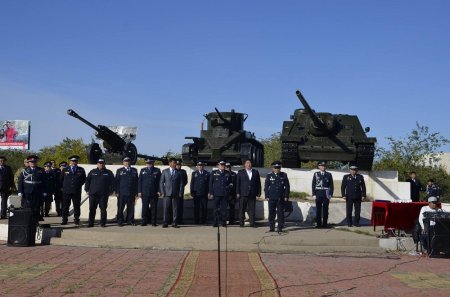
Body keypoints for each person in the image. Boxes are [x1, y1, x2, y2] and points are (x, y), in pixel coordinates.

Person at [85, 158, 115, 227]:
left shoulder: (108, 172)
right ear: (97, 164)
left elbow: (113, 183)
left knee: (103, 209)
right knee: (92, 209)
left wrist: (111, 191)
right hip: (93, 194)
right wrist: (87, 190)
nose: (101, 164)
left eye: (102, 163)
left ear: (104, 164)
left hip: (103, 194)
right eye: (100, 163)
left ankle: (103, 223)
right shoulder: (92, 172)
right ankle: (91, 223)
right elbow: (87, 181)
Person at [18, 155, 47, 221]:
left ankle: (35, 221)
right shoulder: (24, 170)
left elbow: (45, 182)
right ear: (28, 162)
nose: (33, 163)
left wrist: (44, 191)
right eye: (31, 162)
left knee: (36, 207)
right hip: (27, 191)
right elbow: (20, 182)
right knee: (26, 206)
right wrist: (20, 191)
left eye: (34, 162)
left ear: (36, 162)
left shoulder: (41, 170)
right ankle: (27, 220)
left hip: (37, 191)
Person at [264, 161, 290, 232]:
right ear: (273, 168)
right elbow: (266, 186)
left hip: (280, 197)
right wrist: (266, 195)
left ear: (280, 168)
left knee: (280, 213)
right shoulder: (269, 175)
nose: (277, 169)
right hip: (271, 197)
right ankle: (271, 227)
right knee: (271, 213)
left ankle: (280, 227)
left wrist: (286, 196)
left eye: (278, 167)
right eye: (275, 167)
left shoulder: (284, 175)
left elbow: (287, 187)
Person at [61, 155, 86, 225]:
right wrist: (63, 188)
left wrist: (77, 185)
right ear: (70, 161)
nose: (74, 162)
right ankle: (64, 219)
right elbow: (61, 179)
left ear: (77, 162)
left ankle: (76, 219)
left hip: (76, 191)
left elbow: (83, 179)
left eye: (75, 161)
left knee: (77, 206)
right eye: (73, 161)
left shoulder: (81, 169)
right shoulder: (65, 169)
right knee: (65, 206)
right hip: (66, 191)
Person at [236, 159, 261, 228]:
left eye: (249, 163)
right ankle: (241, 223)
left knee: (252, 209)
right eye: (247, 163)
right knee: (242, 209)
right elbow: (238, 183)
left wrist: (259, 192)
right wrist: (237, 192)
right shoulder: (240, 172)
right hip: (243, 193)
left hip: (252, 193)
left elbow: (258, 183)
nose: (248, 164)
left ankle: (252, 223)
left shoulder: (255, 172)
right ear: (244, 165)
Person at [159, 158, 184, 228]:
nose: (174, 164)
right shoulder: (165, 171)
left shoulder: (178, 172)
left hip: (175, 193)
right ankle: (165, 222)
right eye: (173, 163)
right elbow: (161, 183)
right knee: (166, 208)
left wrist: (180, 192)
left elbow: (181, 184)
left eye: (175, 163)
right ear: (169, 163)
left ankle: (174, 222)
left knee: (175, 209)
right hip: (167, 193)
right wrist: (162, 192)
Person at [115, 156, 139, 226]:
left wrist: (136, 192)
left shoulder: (134, 170)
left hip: (131, 193)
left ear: (130, 162)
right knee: (120, 208)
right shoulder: (119, 170)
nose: (127, 162)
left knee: (131, 208)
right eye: (126, 161)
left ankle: (130, 220)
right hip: (122, 193)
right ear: (123, 162)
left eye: (128, 161)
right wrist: (116, 192)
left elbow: (136, 182)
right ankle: (120, 221)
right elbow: (117, 182)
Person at [209, 160, 233, 227]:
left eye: (223, 165)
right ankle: (215, 222)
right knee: (215, 209)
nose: (223, 166)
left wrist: (229, 187)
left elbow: (231, 183)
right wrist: (210, 192)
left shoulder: (227, 173)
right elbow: (210, 183)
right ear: (218, 165)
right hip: (216, 194)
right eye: (221, 164)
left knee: (224, 209)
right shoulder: (214, 173)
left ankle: (223, 222)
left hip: (225, 194)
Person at [138, 158, 161, 226]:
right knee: (145, 207)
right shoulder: (143, 170)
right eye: (148, 163)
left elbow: (160, 182)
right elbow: (140, 182)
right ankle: (144, 221)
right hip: (145, 192)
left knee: (154, 208)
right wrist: (139, 191)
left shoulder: (157, 170)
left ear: (153, 163)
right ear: (146, 163)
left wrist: (159, 190)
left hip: (154, 192)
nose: (149, 164)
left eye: (150, 163)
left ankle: (153, 222)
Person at [312, 161, 334, 228]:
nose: (323, 167)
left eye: (324, 166)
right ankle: (318, 224)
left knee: (325, 210)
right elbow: (313, 184)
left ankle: (325, 224)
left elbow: (331, 185)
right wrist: (314, 194)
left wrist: (330, 194)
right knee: (318, 210)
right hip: (318, 194)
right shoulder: (316, 174)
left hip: (326, 194)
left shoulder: (329, 174)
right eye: (321, 166)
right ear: (319, 167)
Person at [175, 159, 188, 225]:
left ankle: (180, 220)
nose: (178, 166)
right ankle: (174, 220)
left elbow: (185, 181)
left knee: (180, 206)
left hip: (180, 191)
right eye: (177, 165)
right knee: (174, 207)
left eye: (179, 165)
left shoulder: (183, 172)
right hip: (174, 191)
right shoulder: (173, 171)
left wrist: (181, 187)